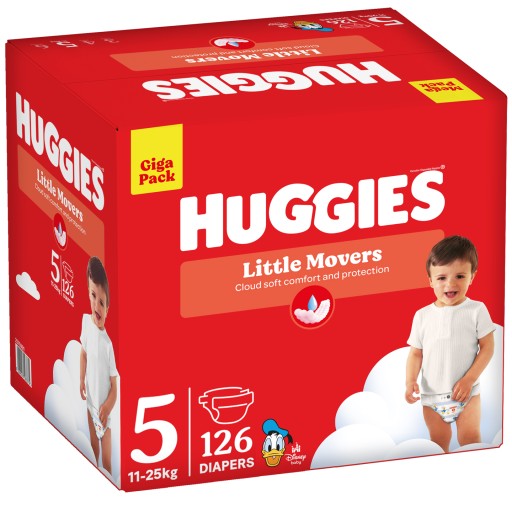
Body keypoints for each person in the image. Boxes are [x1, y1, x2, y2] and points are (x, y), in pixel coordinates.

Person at [405, 235, 494, 452]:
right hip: (432, 397)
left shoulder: (476, 310)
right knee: (437, 445)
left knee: (471, 440)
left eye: (460, 276)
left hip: (467, 394)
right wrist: (410, 381)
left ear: (472, 277)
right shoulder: (422, 315)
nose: (450, 284)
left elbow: (487, 347)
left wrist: (469, 379)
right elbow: (416, 353)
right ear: (430, 280)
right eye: (442, 278)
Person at [79, 256, 118, 474]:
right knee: (93, 454)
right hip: (90, 405)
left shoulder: (107, 344)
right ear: (88, 292)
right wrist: (80, 379)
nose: (97, 306)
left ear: (108, 309)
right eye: (93, 296)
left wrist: (108, 406)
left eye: (102, 303)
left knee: (107, 462)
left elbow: (114, 385)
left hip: (104, 412)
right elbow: (83, 354)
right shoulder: (86, 322)